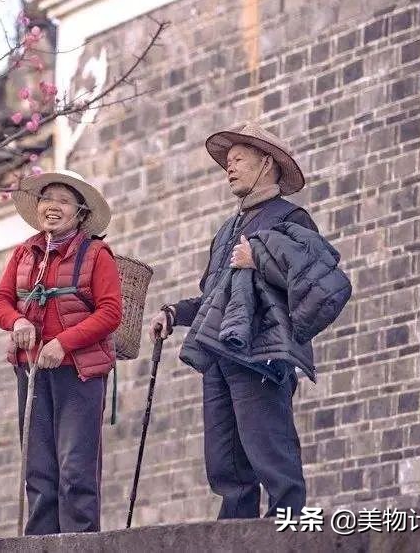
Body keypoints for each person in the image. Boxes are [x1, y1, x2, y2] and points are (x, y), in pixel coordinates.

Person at [148, 122, 350, 520]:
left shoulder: (291, 217)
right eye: (227, 162)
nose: (230, 167)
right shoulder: (228, 230)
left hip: (263, 354)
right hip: (221, 352)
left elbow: (319, 281)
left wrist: (260, 261)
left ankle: (287, 534)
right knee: (226, 464)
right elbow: (214, 297)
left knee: (271, 451)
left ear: (267, 164)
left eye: (239, 159)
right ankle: (233, 537)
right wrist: (174, 313)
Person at [0, 170, 122, 534]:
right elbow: (0, 300)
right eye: (48, 199)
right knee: (38, 469)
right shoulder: (24, 253)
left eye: (64, 201)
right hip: (32, 371)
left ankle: (79, 542)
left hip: (79, 373)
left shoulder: (97, 254)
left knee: (75, 469)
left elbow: (110, 312)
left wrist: (63, 342)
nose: (53, 207)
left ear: (79, 213)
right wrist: (16, 322)